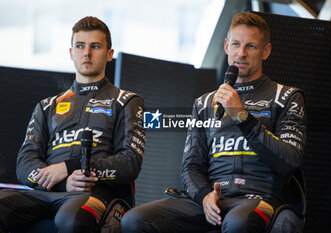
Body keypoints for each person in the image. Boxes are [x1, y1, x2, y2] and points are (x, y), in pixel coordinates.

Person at [121, 12, 306, 233]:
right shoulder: (204, 103)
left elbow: (289, 160)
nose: (241, 53)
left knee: (237, 223)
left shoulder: (286, 96)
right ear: (227, 46)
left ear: (265, 51)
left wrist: (242, 116)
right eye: (236, 44)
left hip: (259, 198)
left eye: (251, 46)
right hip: (212, 200)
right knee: (134, 220)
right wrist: (204, 196)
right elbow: (191, 166)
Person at [0, 16, 145, 233]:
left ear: (109, 54)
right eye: (80, 46)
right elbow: (24, 164)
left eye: (95, 46)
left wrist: (72, 167)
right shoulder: (47, 106)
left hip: (95, 194)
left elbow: (130, 163)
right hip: (47, 193)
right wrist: (61, 182)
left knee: (71, 220)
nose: (86, 52)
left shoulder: (126, 101)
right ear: (71, 53)